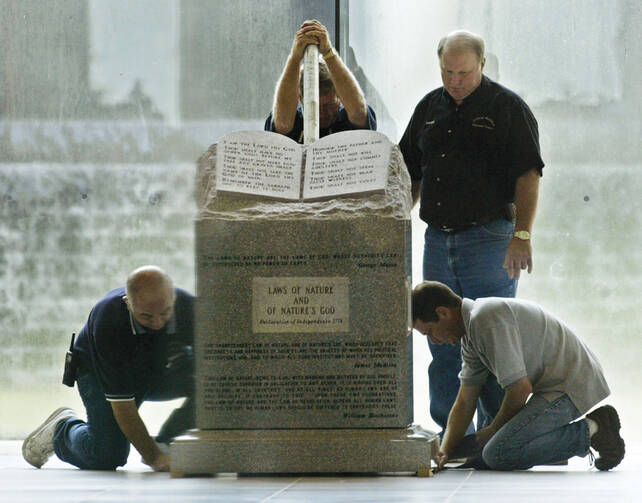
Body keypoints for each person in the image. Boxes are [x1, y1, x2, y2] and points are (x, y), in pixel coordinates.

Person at [399, 30, 545, 433]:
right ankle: (451, 435)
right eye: (448, 71)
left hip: (490, 239)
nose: (455, 80)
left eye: (463, 72)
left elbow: (529, 175)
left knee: (494, 340)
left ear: (482, 64)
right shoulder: (429, 108)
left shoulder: (507, 108)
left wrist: (522, 236)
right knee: (439, 334)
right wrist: (393, 222)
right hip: (437, 239)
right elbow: (409, 176)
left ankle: (496, 434)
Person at [412, 280, 625, 471]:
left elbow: (520, 389)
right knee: (493, 449)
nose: (434, 341)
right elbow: (465, 400)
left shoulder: (485, 318)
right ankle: (551, 445)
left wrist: (493, 431)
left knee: (497, 453)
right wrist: (445, 451)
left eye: (429, 332)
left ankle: (595, 429)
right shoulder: (470, 334)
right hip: (554, 388)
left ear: (443, 313)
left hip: (572, 385)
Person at [22, 265, 195, 471]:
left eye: (165, 313)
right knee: (108, 455)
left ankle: (166, 441)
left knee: (216, 385)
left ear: (173, 299)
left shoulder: (190, 308)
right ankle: (62, 430)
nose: (157, 323)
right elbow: (124, 407)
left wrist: (162, 449)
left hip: (152, 370)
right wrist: (154, 457)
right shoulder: (109, 320)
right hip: (97, 374)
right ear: (127, 303)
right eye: (146, 317)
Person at [265, 19, 376, 143]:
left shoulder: (347, 118)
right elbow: (282, 122)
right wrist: (295, 57)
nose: (323, 113)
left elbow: (358, 113)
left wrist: (328, 52)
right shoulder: (294, 121)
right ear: (300, 99)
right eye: (315, 106)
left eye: (329, 105)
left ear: (340, 98)